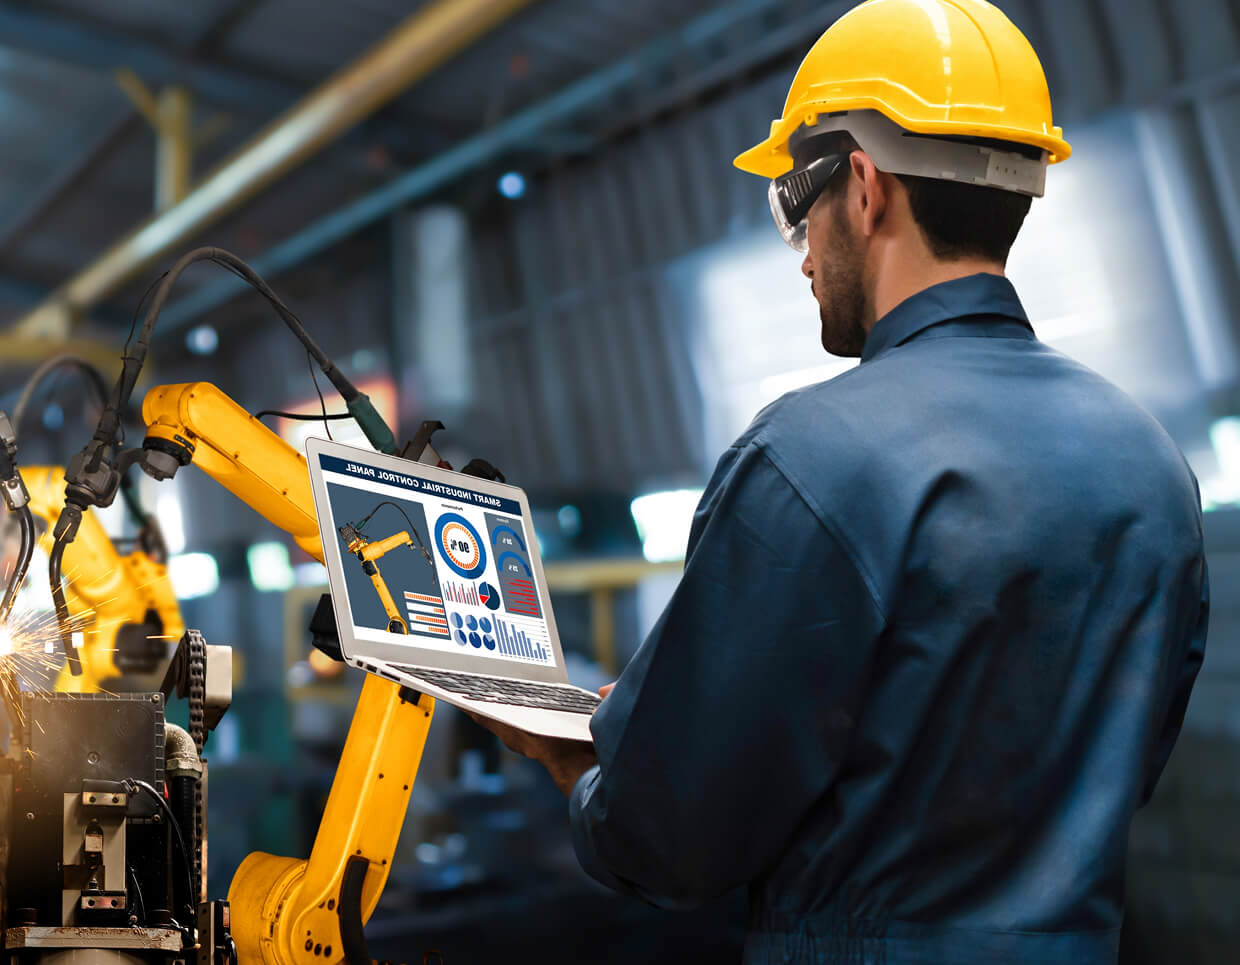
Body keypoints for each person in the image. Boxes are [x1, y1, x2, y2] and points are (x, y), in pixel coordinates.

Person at [476, 1, 1207, 962]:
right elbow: (1115, 762)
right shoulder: (1151, 460)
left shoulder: (812, 456)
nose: (805, 257)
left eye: (797, 209)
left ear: (863, 187)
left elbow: (667, 844)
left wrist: (582, 762)